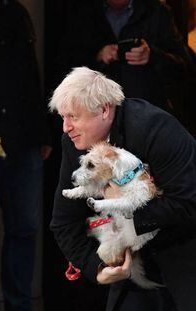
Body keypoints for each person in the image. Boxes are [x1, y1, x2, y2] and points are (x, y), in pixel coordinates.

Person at [49, 66, 196, 311]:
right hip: (134, 262)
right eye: (63, 117)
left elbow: (189, 201)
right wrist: (97, 267)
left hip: (185, 248)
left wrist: (127, 214)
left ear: (104, 109)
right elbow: (63, 222)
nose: (66, 127)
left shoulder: (155, 127)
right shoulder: (74, 142)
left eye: (73, 116)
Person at [0, 1, 52, 310]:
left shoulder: (16, 11)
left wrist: (42, 131)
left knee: (24, 226)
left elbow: (30, 75)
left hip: (24, 138)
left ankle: (19, 304)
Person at [54, 0, 192, 112]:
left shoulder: (157, 12)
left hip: (146, 118)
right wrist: (98, 56)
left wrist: (152, 56)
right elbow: (63, 66)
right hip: (95, 116)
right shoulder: (82, 12)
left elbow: (183, 67)